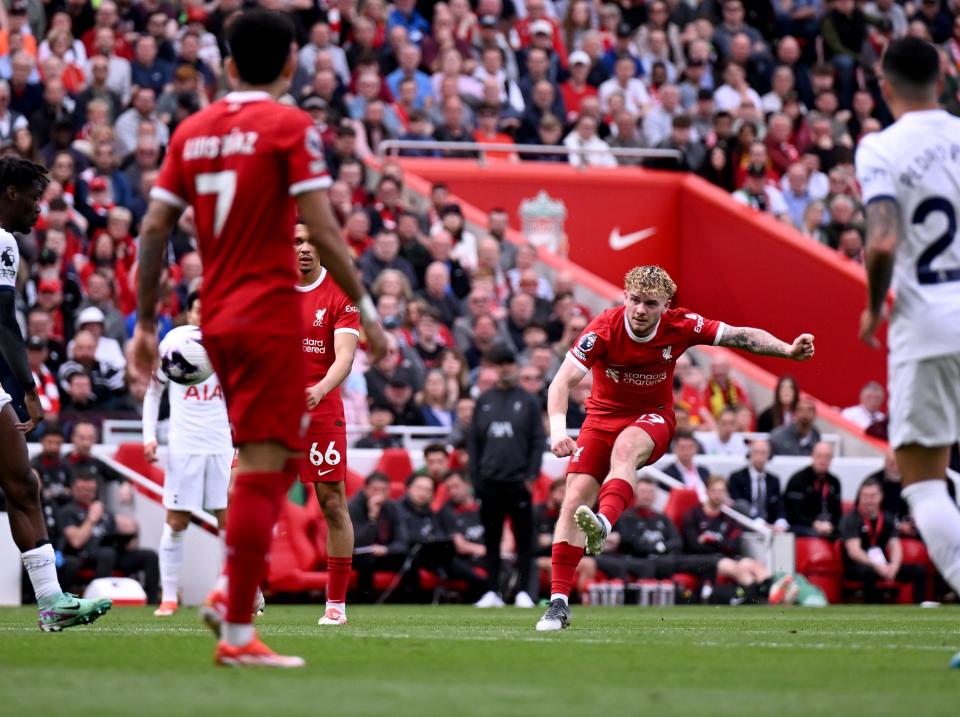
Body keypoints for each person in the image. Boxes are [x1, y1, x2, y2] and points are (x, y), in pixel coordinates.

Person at [128, 9, 385, 668]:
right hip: (270, 316)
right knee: (268, 469)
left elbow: (154, 230)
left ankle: (232, 604)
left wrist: (146, 324)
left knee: (255, 468)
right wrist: (369, 309)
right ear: (292, 64)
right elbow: (325, 231)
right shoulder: (289, 126)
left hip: (215, 320)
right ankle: (234, 616)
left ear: (228, 64)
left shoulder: (191, 130)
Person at [537, 264, 814, 631]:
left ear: (666, 304)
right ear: (624, 297)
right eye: (634, 300)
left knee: (625, 450)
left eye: (650, 304)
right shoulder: (604, 327)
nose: (639, 310)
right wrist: (558, 430)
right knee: (573, 499)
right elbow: (561, 383)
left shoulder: (681, 325)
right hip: (599, 419)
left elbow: (740, 337)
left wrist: (787, 350)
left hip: (652, 418)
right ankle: (558, 604)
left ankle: (603, 521)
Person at [855, 38, 960, 667]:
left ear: (884, 85)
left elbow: (883, 240)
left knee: (922, 481)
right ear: (945, 76)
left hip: (927, 325)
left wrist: (873, 304)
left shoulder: (882, 148)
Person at [0, 156, 111, 630]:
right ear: (10, 193)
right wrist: (27, 387)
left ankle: (52, 603)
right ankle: (51, 603)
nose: (38, 210)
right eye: (34, 198)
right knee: (23, 485)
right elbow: (2, 321)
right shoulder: (2, 241)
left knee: (23, 484)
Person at [142, 291, 233, 617]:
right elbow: (153, 392)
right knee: (177, 521)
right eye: (198, 309)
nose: (204, 315)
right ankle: (168, 596)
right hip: (185, 444)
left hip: (222, 443)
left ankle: (237, 592)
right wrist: (149, 436)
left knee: (229, 521)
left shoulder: (231, 345)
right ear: (190, 313)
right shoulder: (174, 344)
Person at [295, 222, 360, 627]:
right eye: (295, 241)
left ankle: (335, 603)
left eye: (309, 240)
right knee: (239, 492)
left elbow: (345, 357)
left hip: (320, 407)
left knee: (332, 503)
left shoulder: (340, 293)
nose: (302, 248)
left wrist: (318, 389)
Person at [468, 345, 543, 609]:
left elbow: (537, 441)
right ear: (494, 368)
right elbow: (474, 441)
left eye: (510, 363)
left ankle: (523, 591)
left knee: (524, 539)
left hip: (518, 481)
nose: (506, 368)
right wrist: (475, 478)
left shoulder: (529, 401)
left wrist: (531, 475)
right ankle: (493, 591)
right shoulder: (484, 400)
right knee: (491, 538)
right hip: (489, 481)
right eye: (501, 363)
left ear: (516, 366)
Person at [57, 470, 160, 603]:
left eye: (90, 490)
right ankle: (100, 601)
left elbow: (120, 530)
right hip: (84, 556)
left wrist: (126, 541)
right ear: (73, 489)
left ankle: (152, 603)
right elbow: (76, 541)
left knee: (150, 556)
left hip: (112, 553)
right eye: (82, 489)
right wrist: (91, 519)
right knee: (107, 553)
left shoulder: (102, 510)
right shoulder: (67, 511)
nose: (86, 493)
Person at [839, 477, 927, 603]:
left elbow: (895, 545)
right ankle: (874, 612)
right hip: (859, 566)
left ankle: (920, 609)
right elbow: (854, 552)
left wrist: (894, 566)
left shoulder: (887, 518)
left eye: (873, 496)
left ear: (881, 497)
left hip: (883, 564)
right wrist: (877, 566)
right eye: (865, 496)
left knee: (919, 571)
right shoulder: (851, 518)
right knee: (868, 573)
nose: (869, 500)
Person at [784, 441, 842, 538]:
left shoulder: (834, 482)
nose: (823, 460)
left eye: (827, 457)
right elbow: (794, 513)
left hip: (827, 525)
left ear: (831, 459)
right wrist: (815, 524)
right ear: (813, 456)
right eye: (819, 456)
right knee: (816, 534)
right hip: (803, 525)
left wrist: (831, 525)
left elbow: (838, 513)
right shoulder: (798, 479)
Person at [728, 439, 788, 529]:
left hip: (769, 526)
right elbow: (738, 505)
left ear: (769, 455)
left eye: (763, 453)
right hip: (745, 525)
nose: (759, 456)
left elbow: (779, 505)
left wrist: (781, 522)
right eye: (756, 452)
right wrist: (757, 521)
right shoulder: (737, 477)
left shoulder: (774, 480)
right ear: (750, 454)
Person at [661, 430, 709, 499]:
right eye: (682, 448)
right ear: (675, 449)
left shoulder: (704, 472)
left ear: (696, 449)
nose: (687, 451)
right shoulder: (667, 474)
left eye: (690, 447)